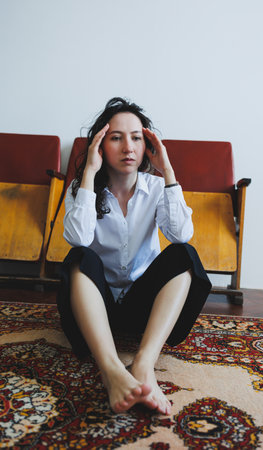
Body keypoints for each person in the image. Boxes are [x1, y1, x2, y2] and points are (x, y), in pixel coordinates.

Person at [57, 97, 211, 416]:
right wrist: (89, 172)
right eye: (116, 138)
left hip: (144, 309)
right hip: (94, 311)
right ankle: (111, 370)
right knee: (79, 258)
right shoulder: (81, 189)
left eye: (136, 138)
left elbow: (181, 234)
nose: (128, 147)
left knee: (184, 254)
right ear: (100, 145)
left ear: (147, 146)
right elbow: (78, 238)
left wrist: (166, 169)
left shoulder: (157, 187)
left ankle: (143, 365)